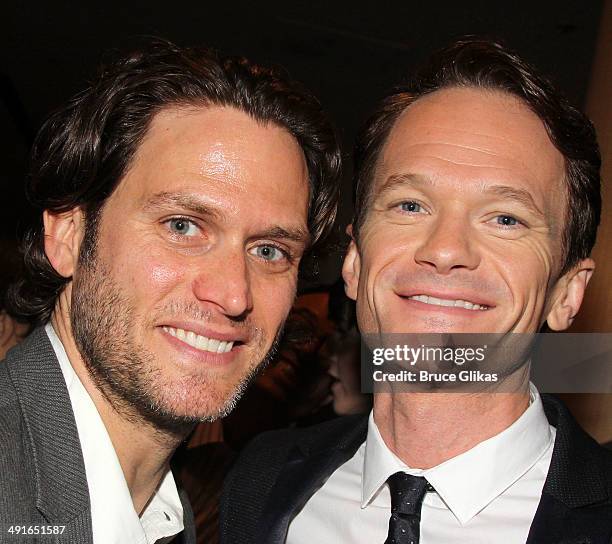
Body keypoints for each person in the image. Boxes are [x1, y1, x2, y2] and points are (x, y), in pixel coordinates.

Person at [220, 38, 612, 543]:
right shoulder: (259, 480)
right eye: (410, 205)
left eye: (505, 218)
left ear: (567, 293)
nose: (446, 249)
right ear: (356, 262)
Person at [0, 39, 340, 543]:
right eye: (182, 226)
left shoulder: (167, 513)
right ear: (68, 234)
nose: (232, 294)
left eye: (269, 250)